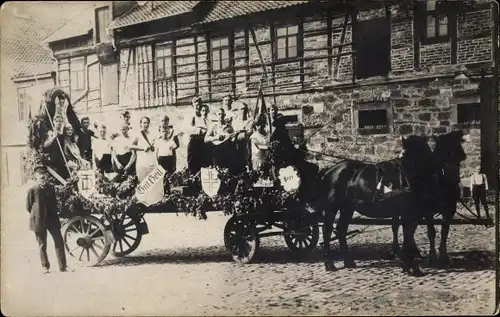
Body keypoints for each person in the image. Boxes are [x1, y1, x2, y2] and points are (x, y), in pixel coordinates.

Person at [26, 166, 71, 274]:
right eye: (40, 175)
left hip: (52, 219)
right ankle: (45, 266)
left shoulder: (50, 188)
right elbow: (28, 206)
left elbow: (54, 202)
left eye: (44, 175)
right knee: (42, 244)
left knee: (59, 241)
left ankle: (63, 266)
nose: (42, 177)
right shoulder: (32, 189)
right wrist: (37, 214)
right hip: (39, 220)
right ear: (35, 177)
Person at [205, 108, 238, 172]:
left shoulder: (229, 127)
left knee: (227, 169)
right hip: (217, 150)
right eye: (219, 114)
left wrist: (233, 137)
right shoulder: (213, 126)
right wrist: (216, 138)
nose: (221, 116)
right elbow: (206, 139)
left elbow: (233, 139)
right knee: (218, 169)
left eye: (222, 114)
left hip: (227, 150)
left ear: (224, 115)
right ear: (216, 115)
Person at [129, 116, 157, 182]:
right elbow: (131, 146)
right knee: (142, 184)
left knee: (151, 184)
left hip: (151, 163)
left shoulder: (152, 134)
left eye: (147, 123)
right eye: (144, 123)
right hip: (142, 164)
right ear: (140, 124)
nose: (146, 124)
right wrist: (142, 148)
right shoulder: (138, 134)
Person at [42, 114, 70, 179]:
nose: (58, 123)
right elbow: (45, 146)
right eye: (57, 121)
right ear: (53, 122)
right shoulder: (51, 132)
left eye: (60, 121)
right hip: (53, 159)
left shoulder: (62, 133)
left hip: (62, 159)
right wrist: (53, 137)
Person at [188, 104, 210, 174]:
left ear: (208, 111)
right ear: (200, 111)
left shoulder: (210, 121)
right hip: (195, 142)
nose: (205, 112)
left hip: (205, 143)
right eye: (203, 110)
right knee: (193, 163)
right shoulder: (195, 119)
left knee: (204, 163)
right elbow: (189, 130)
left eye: (206, 111)